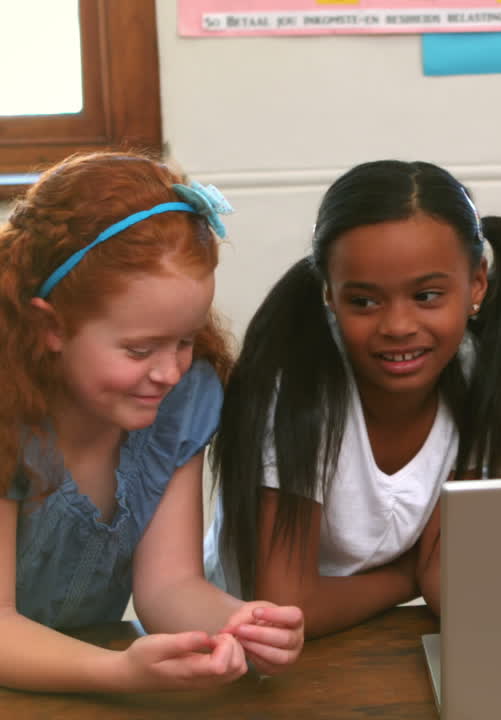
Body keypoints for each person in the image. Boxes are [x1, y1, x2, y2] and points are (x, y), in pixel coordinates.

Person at [0, 152, 304, 692]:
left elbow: (169, 587)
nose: (169, 371)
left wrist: (237, 624)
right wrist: (118, 671)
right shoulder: (9, 415)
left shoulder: (179, 405)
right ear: (50, 326)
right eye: (140, 349)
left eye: (185, 340)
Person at [205, 160, 501, 637]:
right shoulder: (298, 386)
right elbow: (284, 606)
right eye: (363, 301)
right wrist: (407, 574)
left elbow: (445, 578)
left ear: (476, 283)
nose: (397, 326)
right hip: (247, 655)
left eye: (426, 296)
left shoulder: (476, 371)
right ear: (329, 294)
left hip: (374, 638)